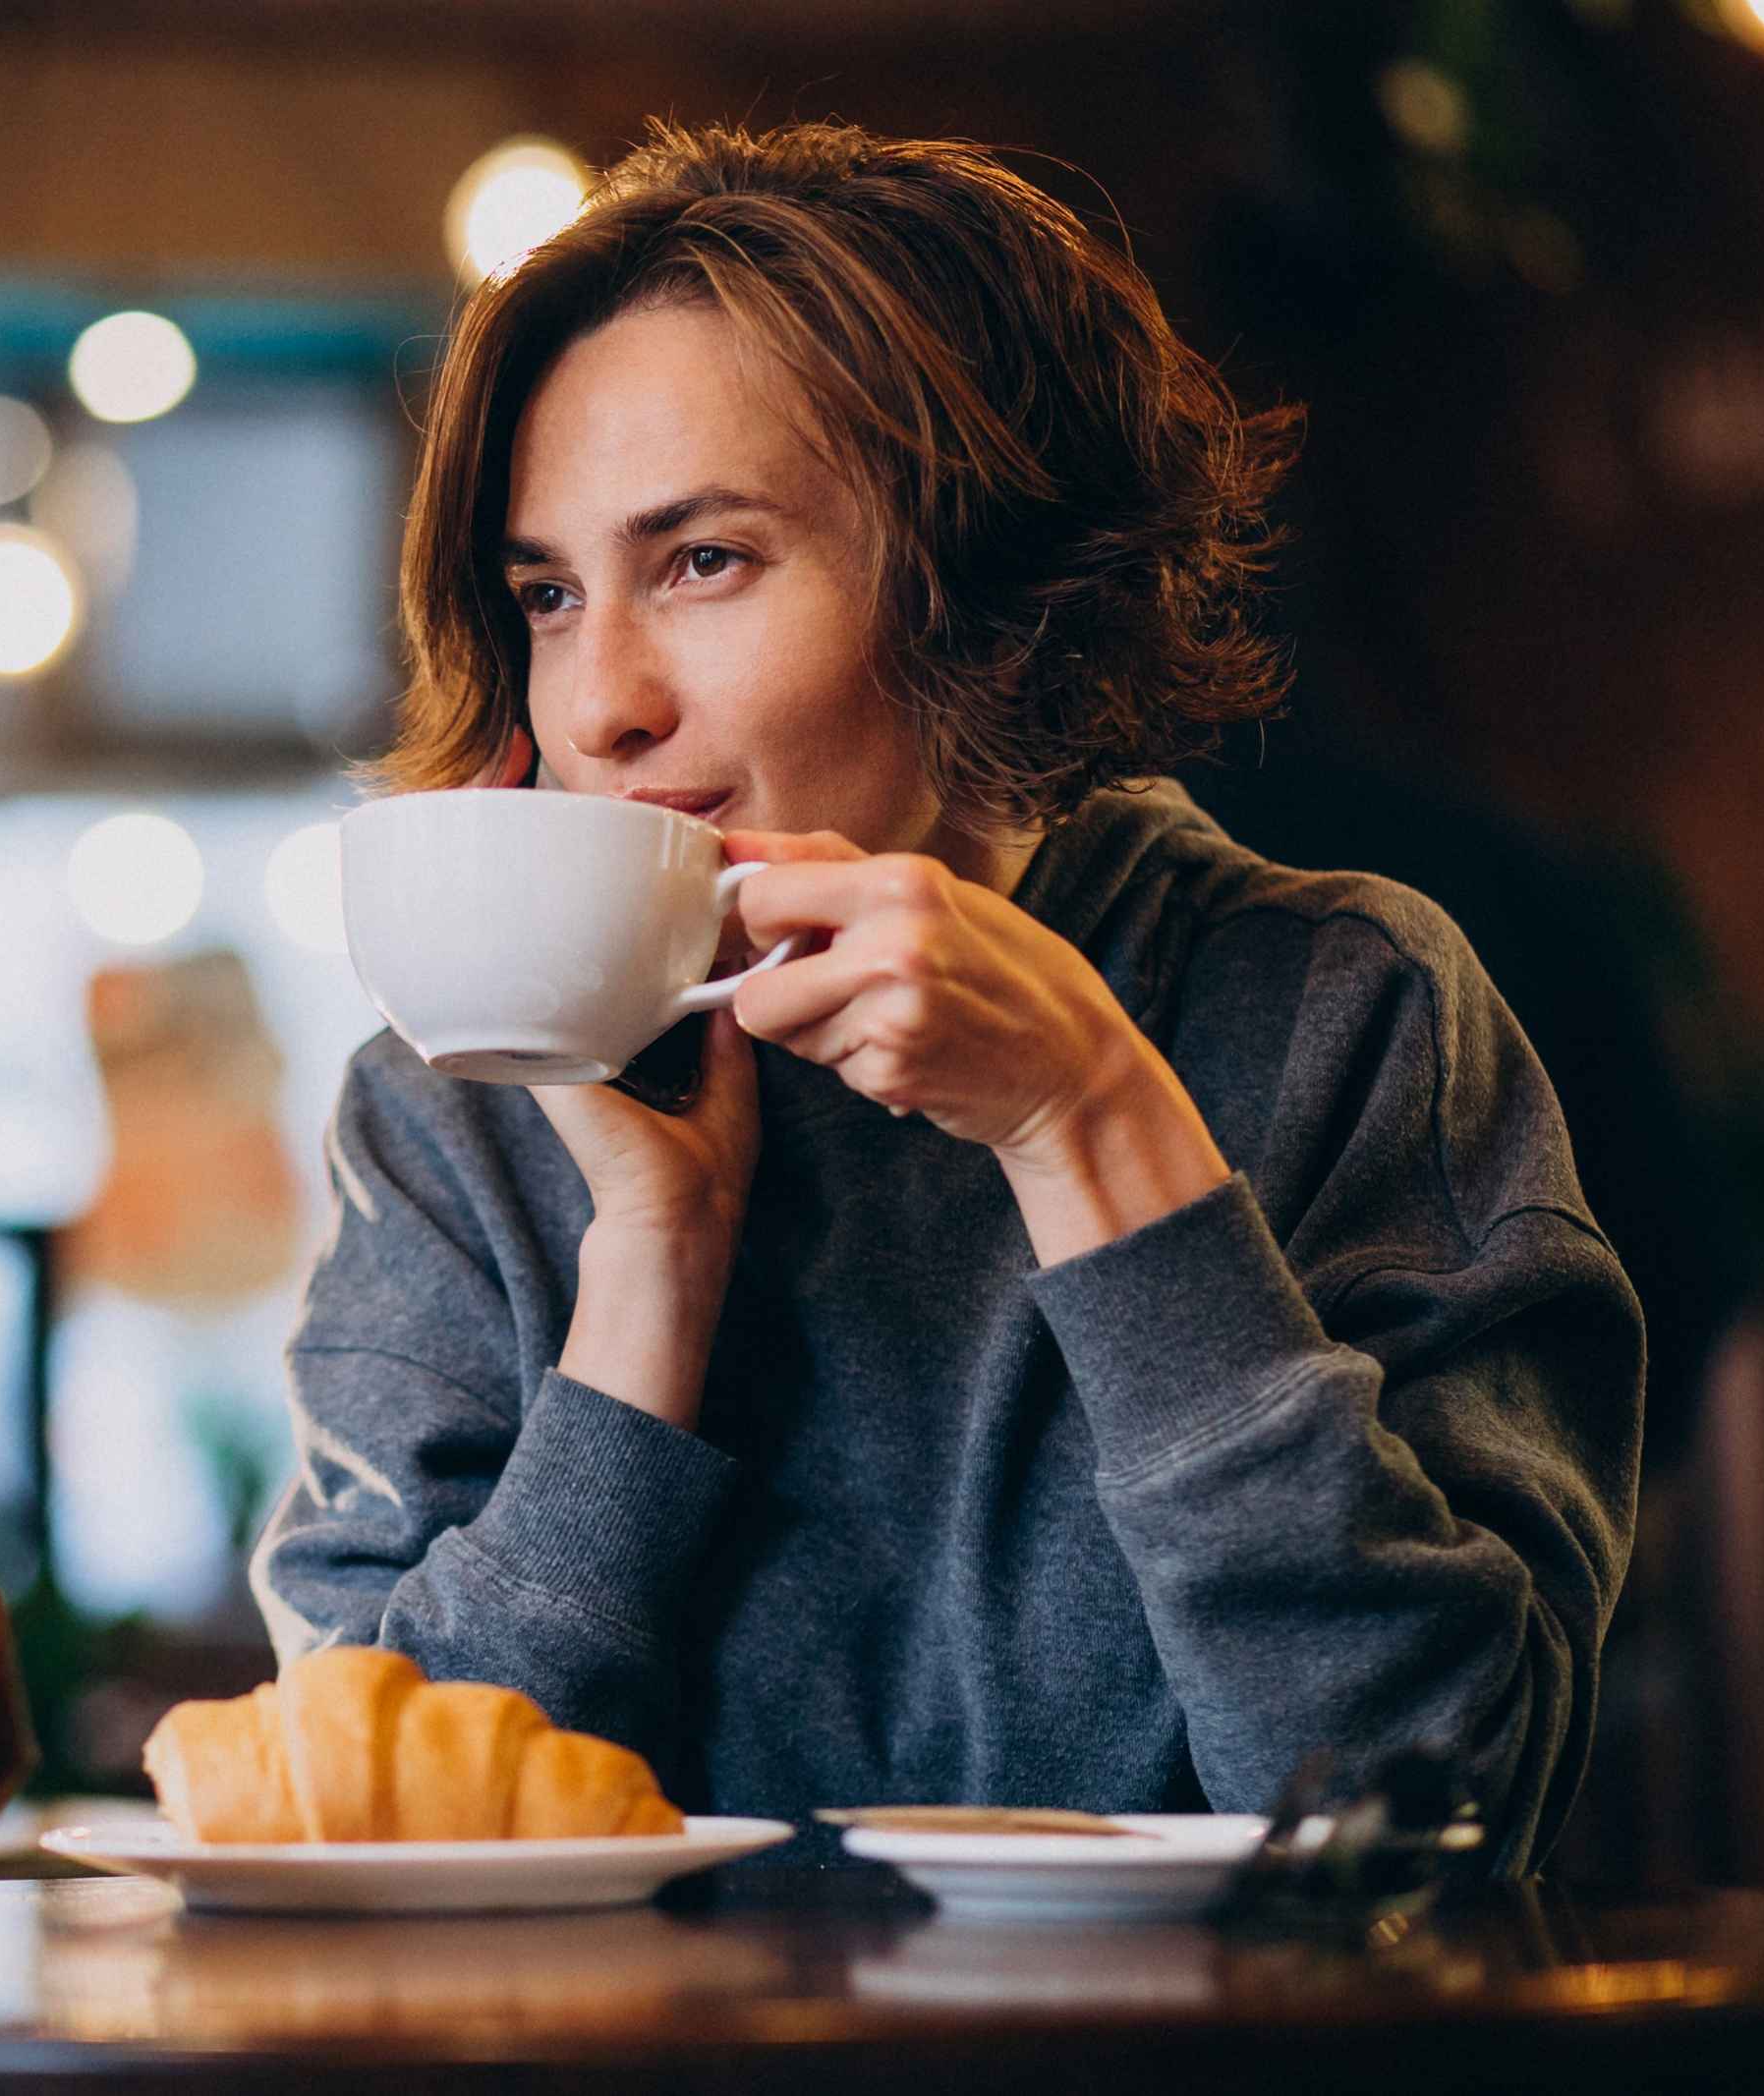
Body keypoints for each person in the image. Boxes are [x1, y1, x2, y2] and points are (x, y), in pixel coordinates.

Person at [252, 120, 1641, 1872]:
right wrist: (645, 1287)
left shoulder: (1330, 1009)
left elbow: (1424, 1825)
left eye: (703, 560)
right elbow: (372, 1838)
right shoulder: (460, 1109)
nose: (597, 703)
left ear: (986, 587)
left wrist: (1093, 1126)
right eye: (546, 592)